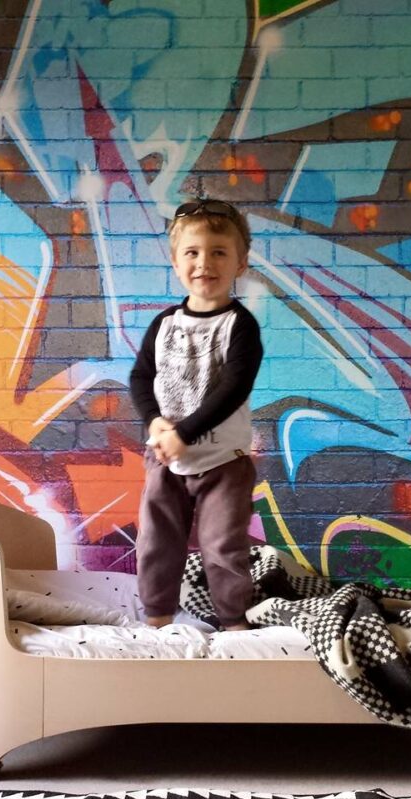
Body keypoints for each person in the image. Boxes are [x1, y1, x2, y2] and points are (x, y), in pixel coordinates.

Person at [130, 198, 263, 631]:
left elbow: (232, 389)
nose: (204, 262)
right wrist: (155, 423)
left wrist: (185, 432)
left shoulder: (239, 327)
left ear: (240, 263)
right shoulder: (164, 324)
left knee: (223, 547)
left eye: (219, 252)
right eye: (192, 252)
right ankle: (157, 618)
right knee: (156, 541)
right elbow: (140, 378)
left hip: (224, 463)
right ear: (175, 261)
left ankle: (233, 623)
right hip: (165, 459)